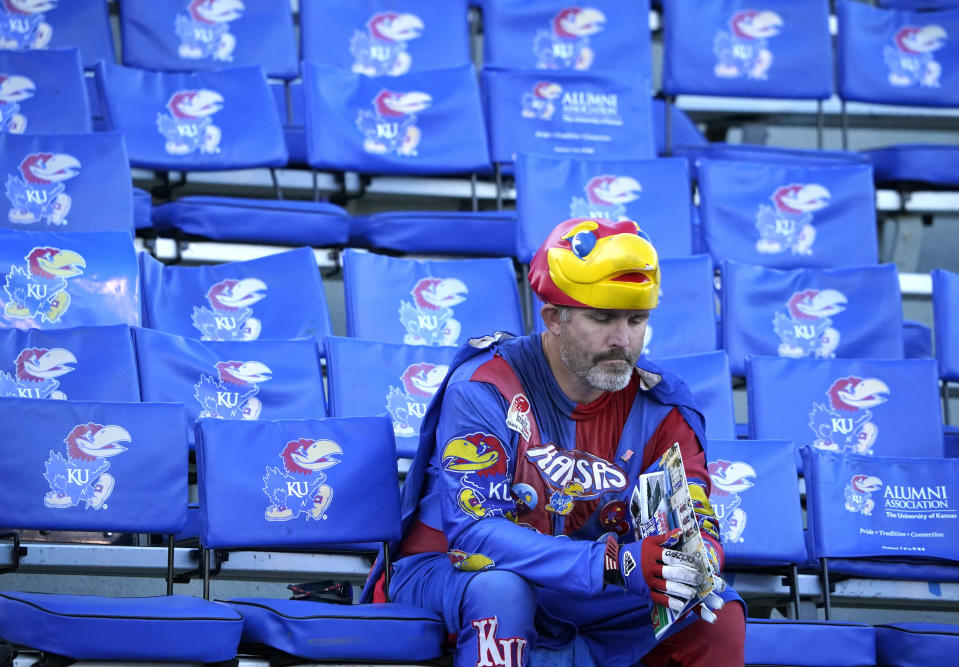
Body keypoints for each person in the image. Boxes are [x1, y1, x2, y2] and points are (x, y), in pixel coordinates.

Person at [368, 217, 746, 667]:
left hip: (591, 590)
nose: (622, 341)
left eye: (636, 319)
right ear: (553, 318)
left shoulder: (663, 405)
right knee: (502, 591)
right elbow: (473, 536)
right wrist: (616, 564)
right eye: (602, 318)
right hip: (450, 574)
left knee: (714, 611)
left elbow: (693, 521)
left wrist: (694, 558)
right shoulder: (486, 386)